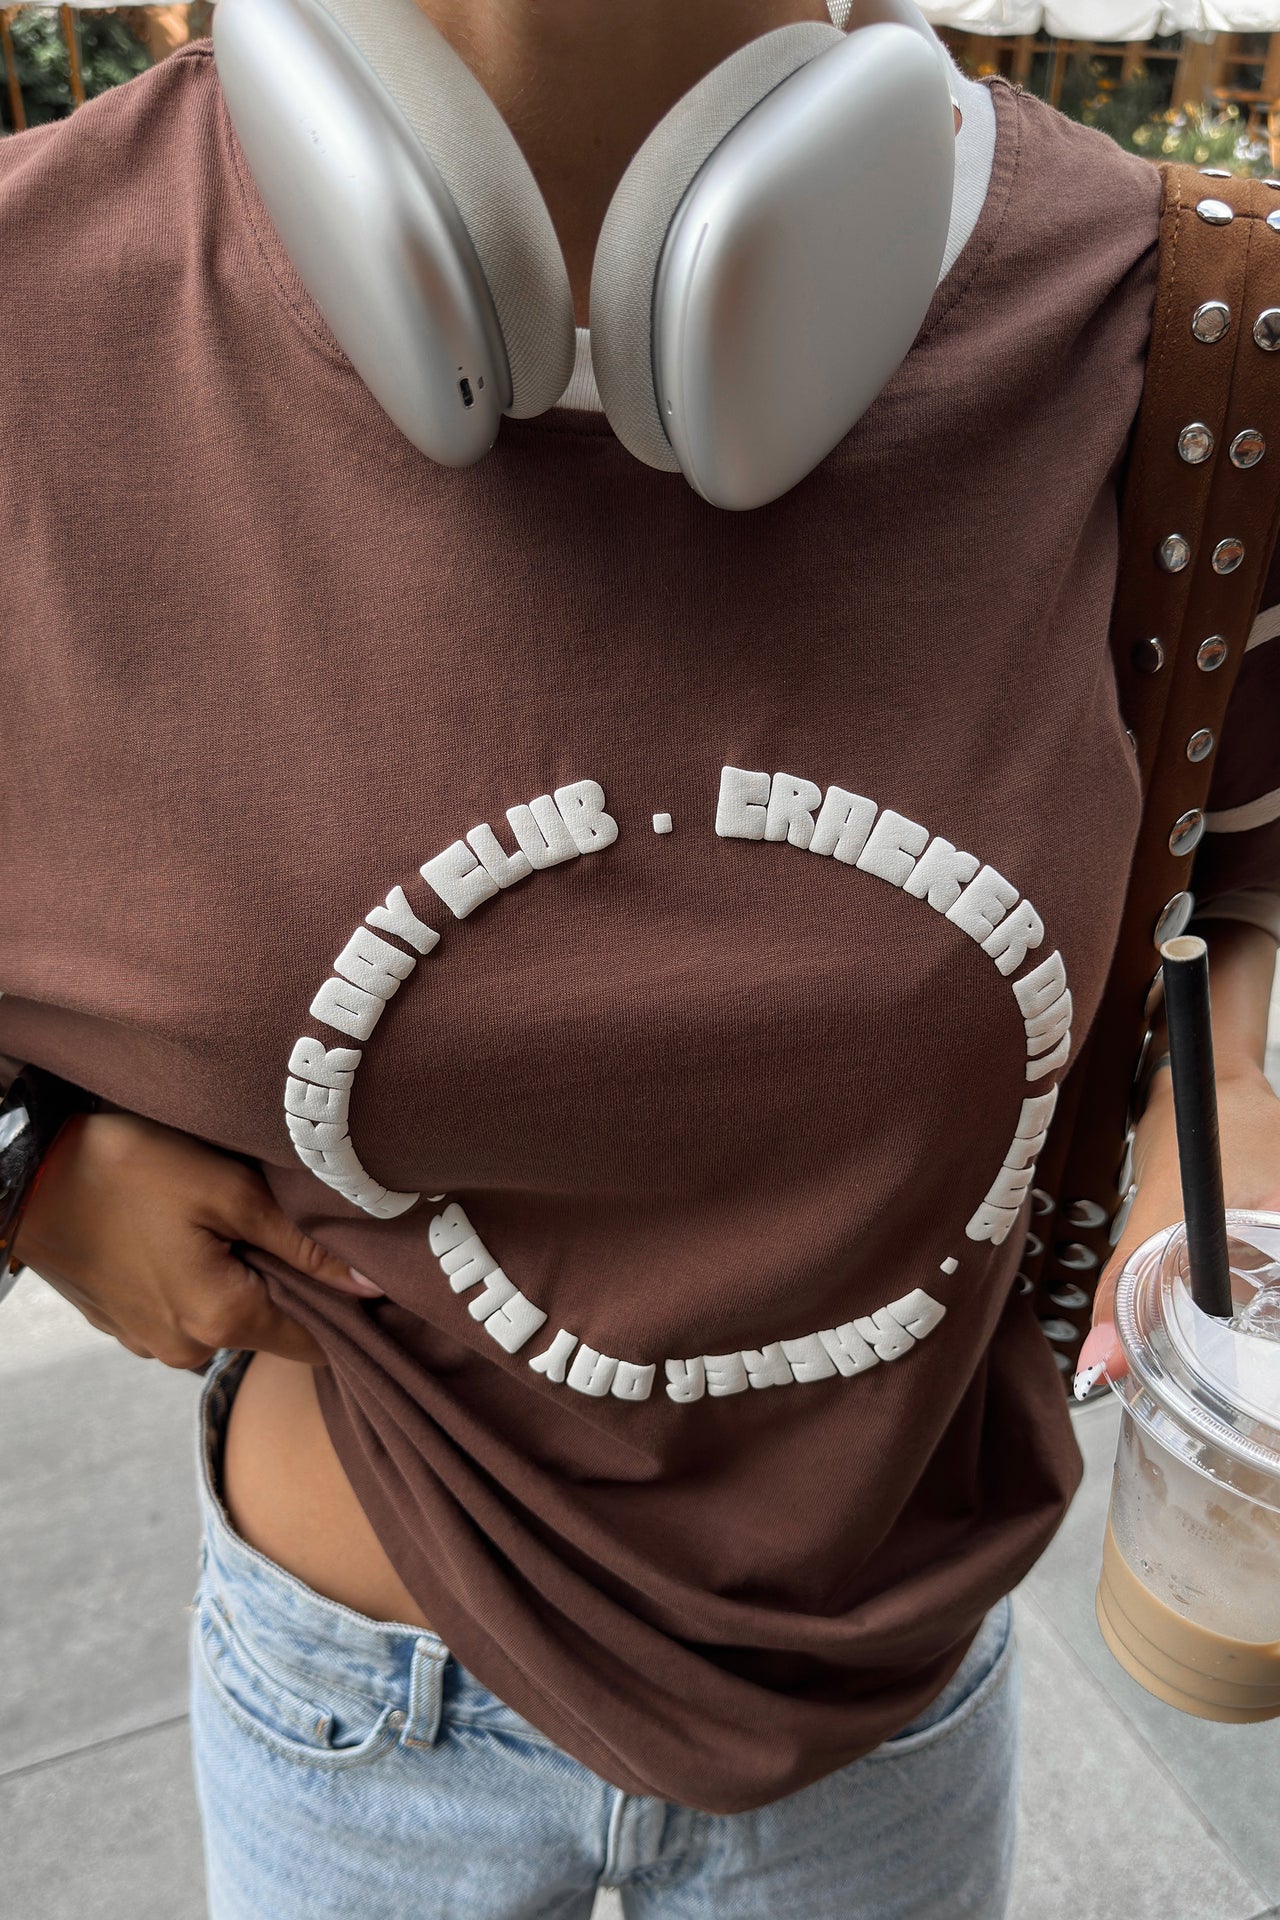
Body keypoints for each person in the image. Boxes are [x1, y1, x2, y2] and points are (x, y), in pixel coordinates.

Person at [2, 2, 1279, 1915]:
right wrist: (25, 1169)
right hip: (354, 1704)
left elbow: (1243, 876)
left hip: (890, 1695)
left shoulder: (1182, 338)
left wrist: (1230, 1105)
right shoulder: (41, 314)